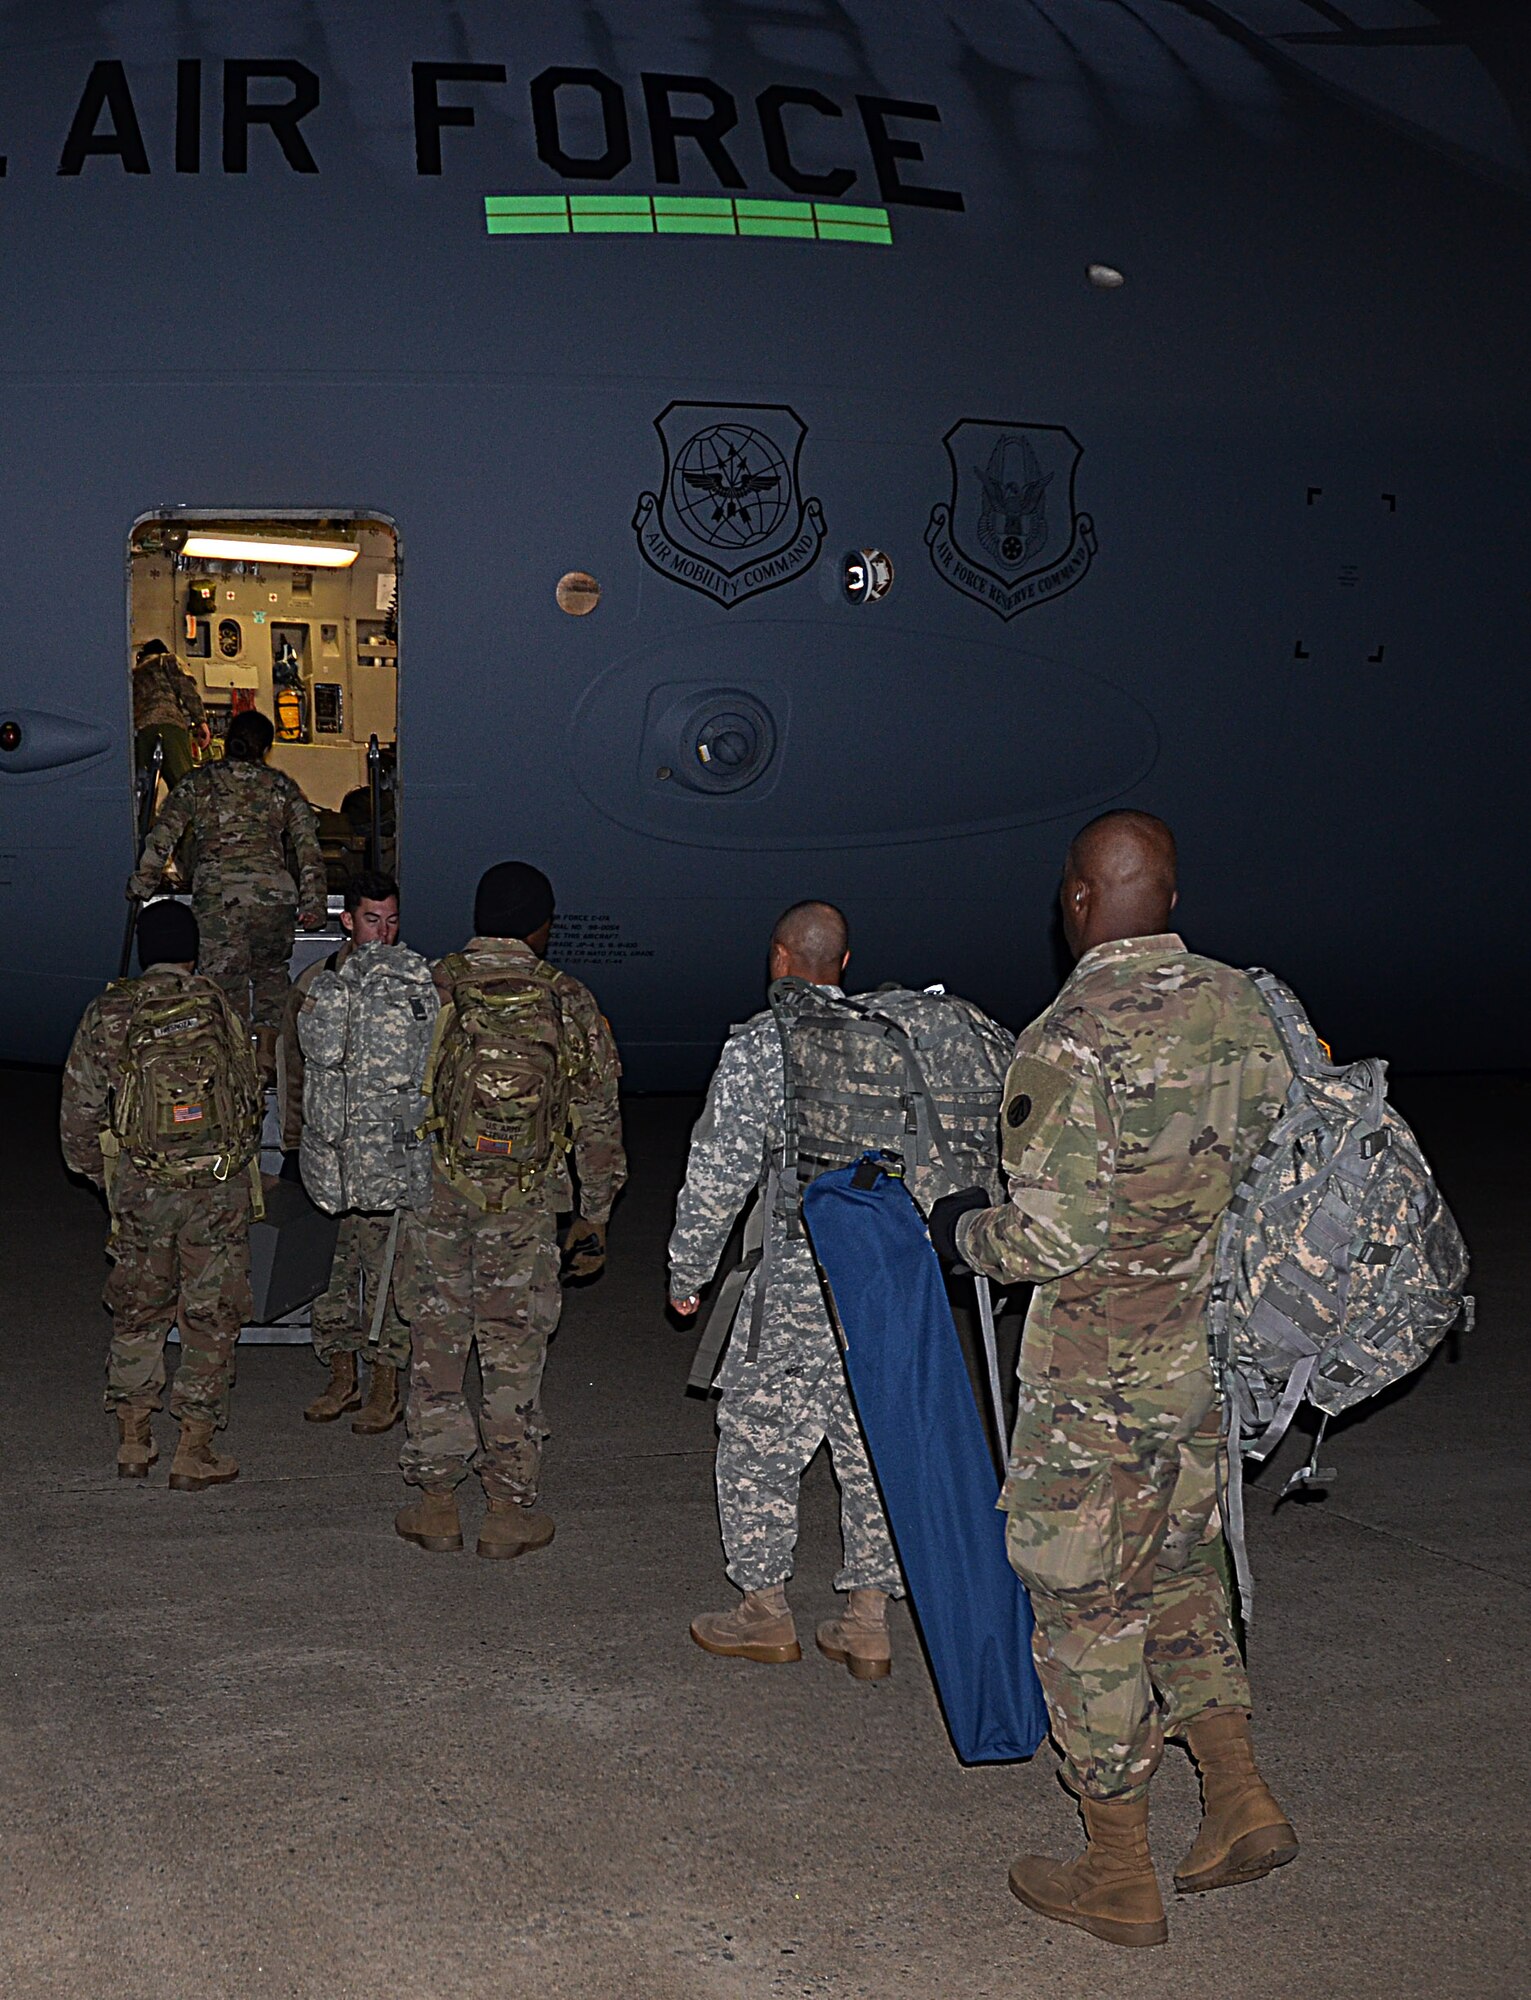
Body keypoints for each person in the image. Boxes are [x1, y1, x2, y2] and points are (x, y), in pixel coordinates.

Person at [927, 811, 1299, 1951]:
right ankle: (1239, 1798)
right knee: (1183, 1572)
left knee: (1086, 1608)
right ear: (1171, 899)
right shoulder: (1244, 1008)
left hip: (1093, 1389)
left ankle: (1116, 1867)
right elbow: (1281, 1164)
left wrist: (961, 1230)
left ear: (1078, 900)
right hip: (1194, 1370)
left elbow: (1053, 1236)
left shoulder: (1070, 1034)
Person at [669, 902, 913, 1679]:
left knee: (757, 1443)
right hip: (884, 1285)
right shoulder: (897, 1043)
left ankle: (764, 1610)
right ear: (842, 965)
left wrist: (688, 1271)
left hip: (796, 1285)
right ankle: (868, 1619)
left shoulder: (760, 1046)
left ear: (778, 959)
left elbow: (716, 1175)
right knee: (870, 1444)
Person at [393, 861, 626, 1560]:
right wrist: (596, 1211)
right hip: (525, 1204)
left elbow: (387, 1095)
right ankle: (506, 1511)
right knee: (512, 1354)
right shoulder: (567, 999)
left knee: (436, 1348)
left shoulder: (432, 987)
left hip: (438, 1196)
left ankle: (435, 1503)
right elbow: (596, 1114)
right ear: (541, 925)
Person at [59, 899, 262, 1489]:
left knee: (138, 1311)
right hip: (215, 1191)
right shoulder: (216, 1004)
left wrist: (109, 1179)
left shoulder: (110, 1011)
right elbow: (248, 1095)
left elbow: (77, 1116)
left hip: (143, 1191)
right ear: (192, 951)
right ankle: (194, 1448)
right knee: (211, 1315)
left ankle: (133, 1438)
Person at [279, 869, 413, 1434]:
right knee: (330, 1273)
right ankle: (341, 1375)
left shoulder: (416, 984)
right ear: (347, 921)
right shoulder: (314, 985)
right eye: (370, 920)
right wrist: (291, 1145)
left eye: (391, 921)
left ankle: (385, 1382)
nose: (381, 933)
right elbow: (293, 1070)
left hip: (386, 1160)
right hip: (330, 1158)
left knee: (388, 1276)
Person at [127, 708, 327, 1079]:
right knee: (270, 975)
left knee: (225, 985)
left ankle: (236, 1069)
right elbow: (307, 847)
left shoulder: (198, 782)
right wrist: (314, 901)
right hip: (273, 899)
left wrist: (144, 882)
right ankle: (266, 1055)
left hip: (220, 899)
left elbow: (164, 833)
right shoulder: (281, 786)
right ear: (265, 749)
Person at [132, 638, 209, 790]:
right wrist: (201, 721)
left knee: (142, 790)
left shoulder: (134, 674)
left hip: (142, 731)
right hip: (170, 726)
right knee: (184, 785)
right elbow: (186, 690)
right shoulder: (167, 660)